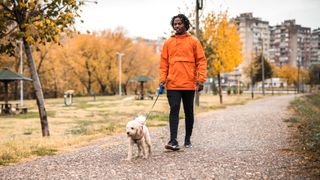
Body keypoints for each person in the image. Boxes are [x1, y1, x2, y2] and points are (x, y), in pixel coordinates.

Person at [159, 14, 207, 150]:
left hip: (189, 83)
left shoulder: (194, 41)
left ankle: (187, 139)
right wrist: (162, 80)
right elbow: (163, 64)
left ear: (185, 24)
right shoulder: (168, 42)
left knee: (188, 112)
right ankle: (173, 140)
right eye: (175, 24)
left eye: (179, 23)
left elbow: (201, 61)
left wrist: (200, 80)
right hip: (172, 83)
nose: (177, 26)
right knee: (174, 110)